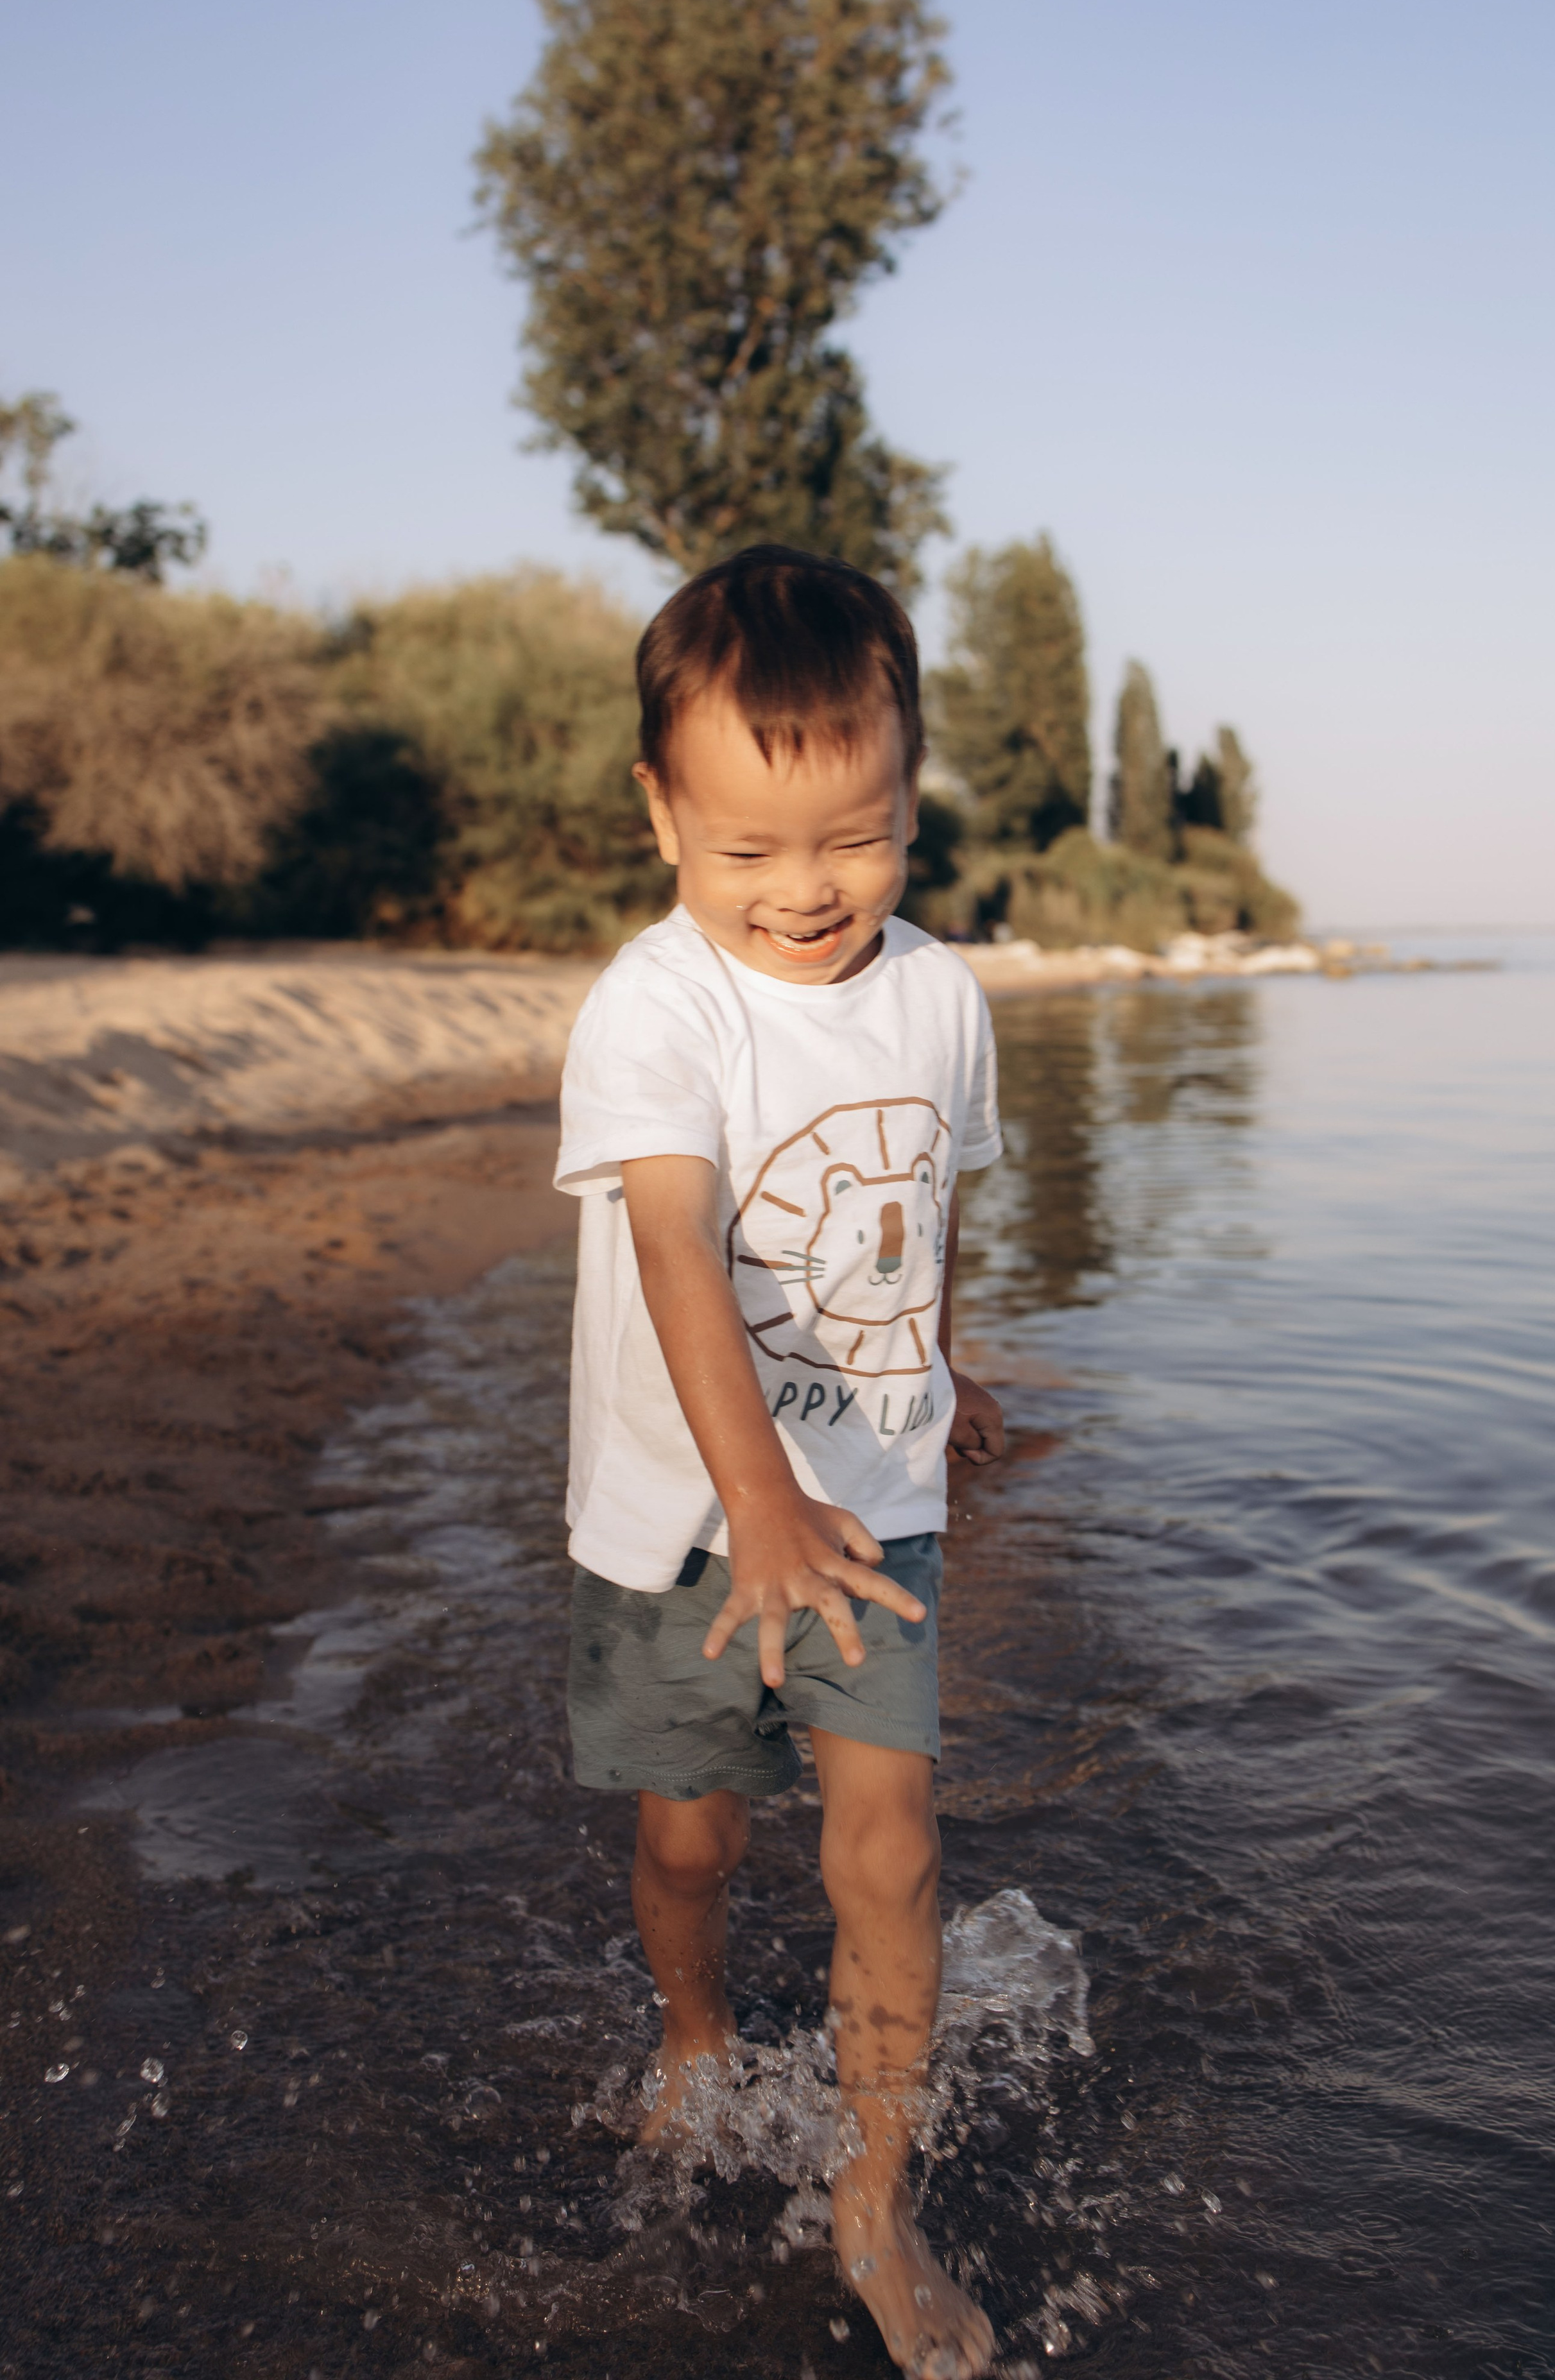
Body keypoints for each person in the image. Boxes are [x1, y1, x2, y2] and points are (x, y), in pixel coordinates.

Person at [554, 544, 1006, 2380]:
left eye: (856, 838)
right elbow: (677, 1251)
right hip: (682, 1516)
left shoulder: (945, 999)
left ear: (909, 795)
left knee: (887, 1854)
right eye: (749, 851)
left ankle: (875, 2197)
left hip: (876, 1502)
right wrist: (753, 1501)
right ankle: (689, 2030)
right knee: (696, 1831)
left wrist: (948, 1357)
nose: (807, 893)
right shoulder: (658, 1009)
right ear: (664, 812)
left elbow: (931, 1203)